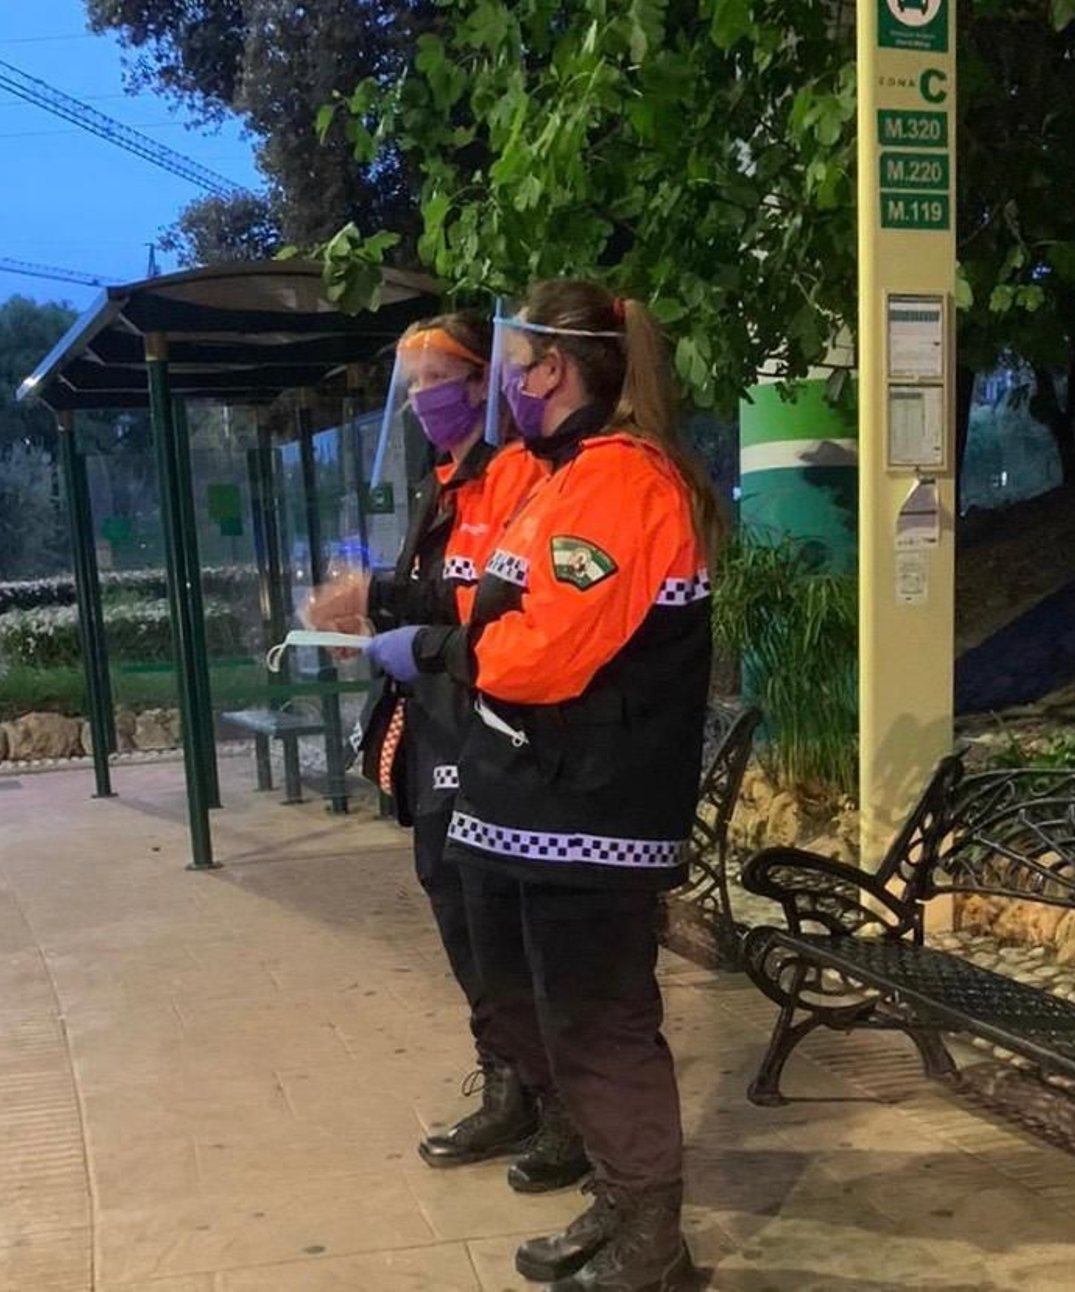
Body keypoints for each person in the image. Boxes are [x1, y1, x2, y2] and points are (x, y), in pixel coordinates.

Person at [364, 280, 722, 1292]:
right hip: (552, 800)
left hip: (593, 806)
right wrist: (434, 623)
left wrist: (430, 648)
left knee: (604, 1023)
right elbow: (504, 603)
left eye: (510, 369)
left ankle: (654, 1238)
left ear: (551, 368)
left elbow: (539, 655)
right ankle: (621, 1199)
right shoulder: (569, 476)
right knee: (575, 1019)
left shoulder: (620, 481)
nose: (499, 392)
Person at [304, 312, 586, 1187]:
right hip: (438, 724)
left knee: (497, 919)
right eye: (414, 383)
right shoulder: (449, 483)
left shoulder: (516, 477)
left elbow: (486, 603)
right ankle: (512, 1084)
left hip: (489, 729)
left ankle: (559, 1104)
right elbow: (443, 593)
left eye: (437, 378)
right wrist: (372, 610)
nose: (422, 398)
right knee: (461, 913)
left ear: (481, 383)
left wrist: (386, 602)